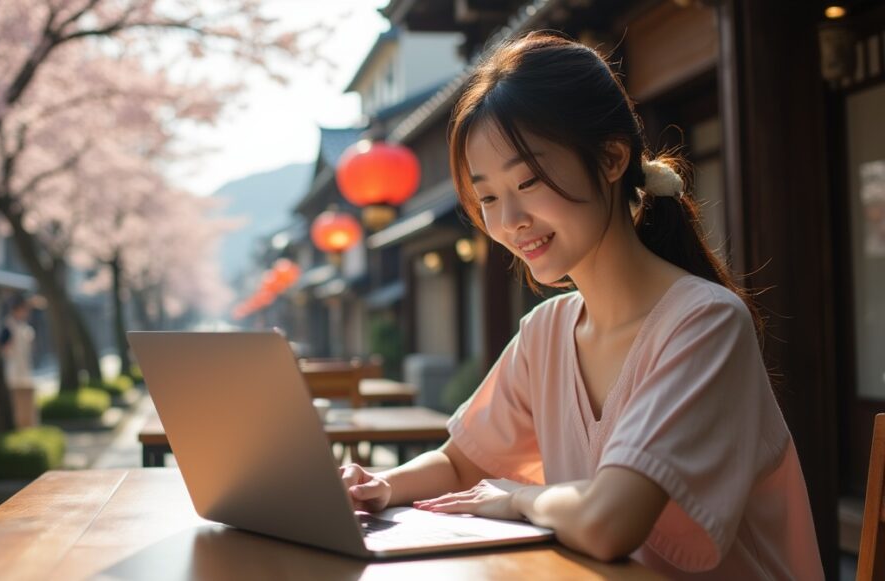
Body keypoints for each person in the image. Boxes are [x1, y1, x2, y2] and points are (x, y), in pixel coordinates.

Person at [339, 33, 822, 579]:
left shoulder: (705, 322)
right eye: (488, 197)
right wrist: (379, 485)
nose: (509, 221)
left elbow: (608, 522)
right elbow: (459, 461)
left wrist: (518, 497)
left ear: (612, 158)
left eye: (528, 180)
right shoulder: (546, 330)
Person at [0, 294, 35, 392]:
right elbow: (3, 348)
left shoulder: (24, 326)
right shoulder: (8, 327)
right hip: (14, 369)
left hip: (25, 365)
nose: (26, 313)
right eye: (23, 310)